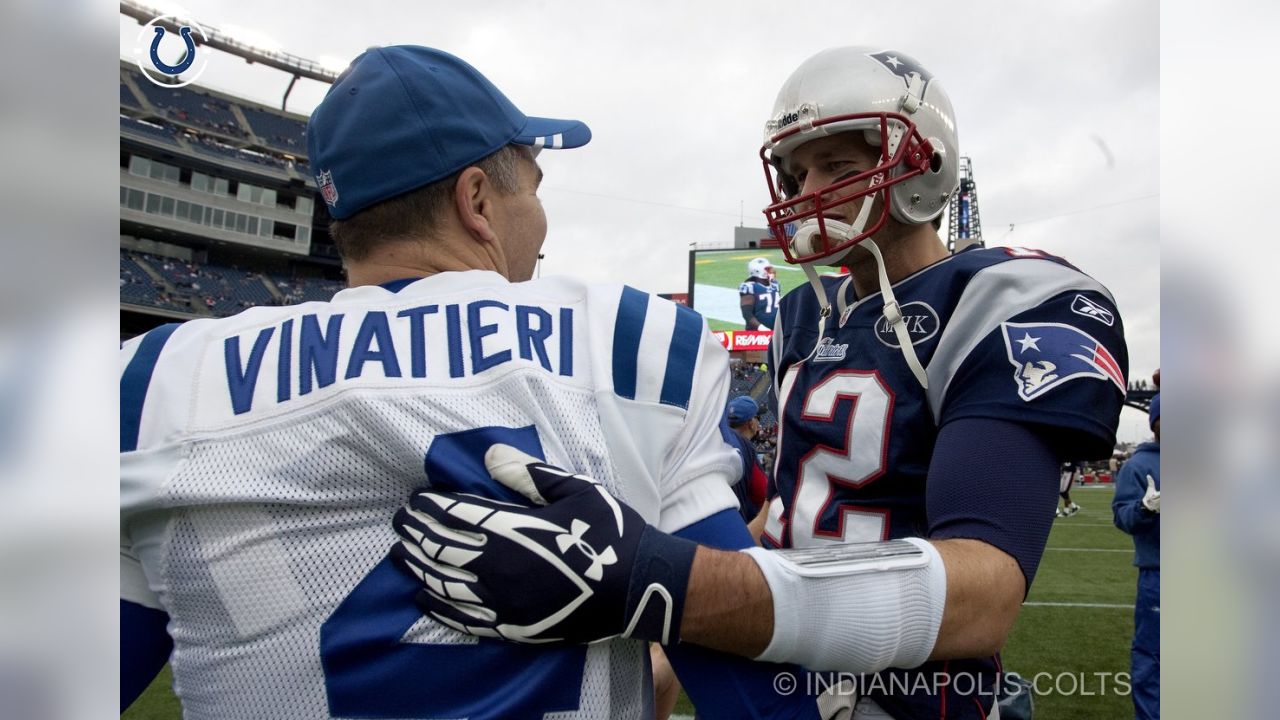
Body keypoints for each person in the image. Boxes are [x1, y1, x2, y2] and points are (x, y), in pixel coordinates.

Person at [393, 46, 1129, 719]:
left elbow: (987, 593)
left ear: (924, 161)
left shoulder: (1005, 297)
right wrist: (672, 630)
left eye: (839, 166)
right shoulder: (805, 315)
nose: (809, 191)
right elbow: (793, 518)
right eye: (797, 172)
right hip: (788, 679)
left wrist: (668, 582)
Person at [120, 45, 817, 720]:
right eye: (535, 189)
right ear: (477, 200)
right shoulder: (631, 343)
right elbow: (751, 683)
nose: (541, 225)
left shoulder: (159, 383)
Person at [1112, 393, 1160, 720]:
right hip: (1161, 574)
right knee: (1153, 657)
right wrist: (1145, 509)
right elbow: (1123, 518)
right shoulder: (1138, 465)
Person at [724, 395, 770, 523]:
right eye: (757, 417)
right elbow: (762, 494)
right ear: (750, 423)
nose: (759, 422)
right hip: (746, 522)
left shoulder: (722, 442)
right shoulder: (744, 447)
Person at [740, 257, 781, 330]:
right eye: (767, 269)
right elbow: (747, 313)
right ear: (757, 271)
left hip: (775, 330)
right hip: (756, 333)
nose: (771, 271)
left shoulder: (775, 284)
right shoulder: (750, 286)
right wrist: (761, 328)